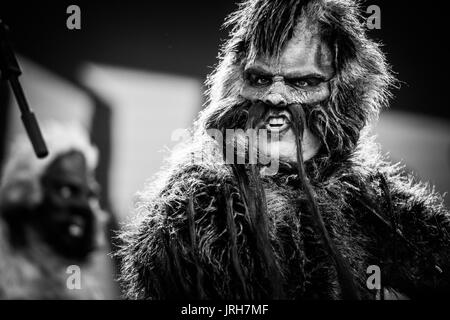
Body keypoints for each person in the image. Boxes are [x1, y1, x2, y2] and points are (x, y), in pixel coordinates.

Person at [117, 0, 450, 299]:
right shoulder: (198, 205)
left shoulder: (362, 193)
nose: (275, 97)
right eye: (260, 79)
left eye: (302, 82)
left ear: (342, 93)